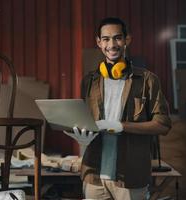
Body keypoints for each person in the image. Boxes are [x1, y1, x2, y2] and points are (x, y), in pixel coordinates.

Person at [64, 17, 171, 200]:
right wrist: (80, 136)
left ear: (127, 40)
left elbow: (163, 125)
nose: (111, 44)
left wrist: (121, 126)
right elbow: (85, 121)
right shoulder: (89, 81)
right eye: (105, 39)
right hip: (94, 175)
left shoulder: (148, 80)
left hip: (131, 177)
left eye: (117, 38)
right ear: (99, 42)